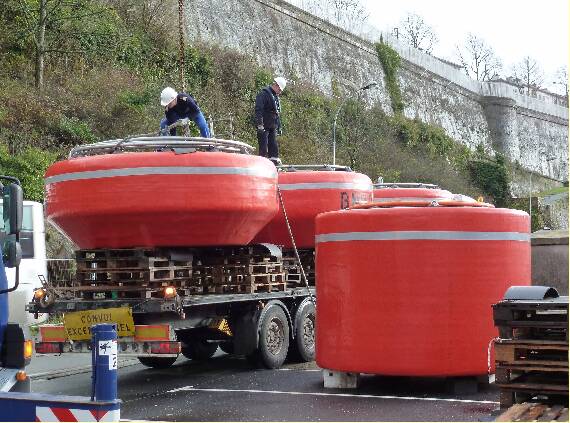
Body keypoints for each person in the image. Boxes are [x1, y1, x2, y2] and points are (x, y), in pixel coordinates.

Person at [254, 77, 286, 162]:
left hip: (272, 126)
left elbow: (276, 113)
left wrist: (279, 127)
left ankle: (274, 163)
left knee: (274, 148)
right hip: (264, 126)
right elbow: (258, 110)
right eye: (279, 90)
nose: (280, 92)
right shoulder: (263, 94)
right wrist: (260, 124)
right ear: (276, 85)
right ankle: (262, 163)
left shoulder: (275, 96)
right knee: (263, 148)